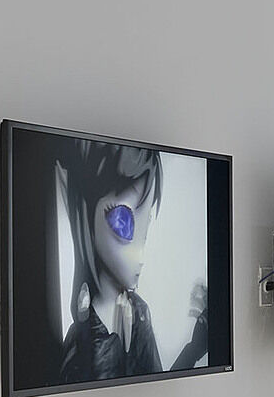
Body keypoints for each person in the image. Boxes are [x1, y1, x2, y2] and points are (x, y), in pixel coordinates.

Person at [54, 140, 208, 382]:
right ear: (85, 215)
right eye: (123, 221)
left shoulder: (139, 312)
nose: (141, 255)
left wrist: (195, 348)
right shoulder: (79, 346)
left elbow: (156, 389)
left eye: (144, 232)